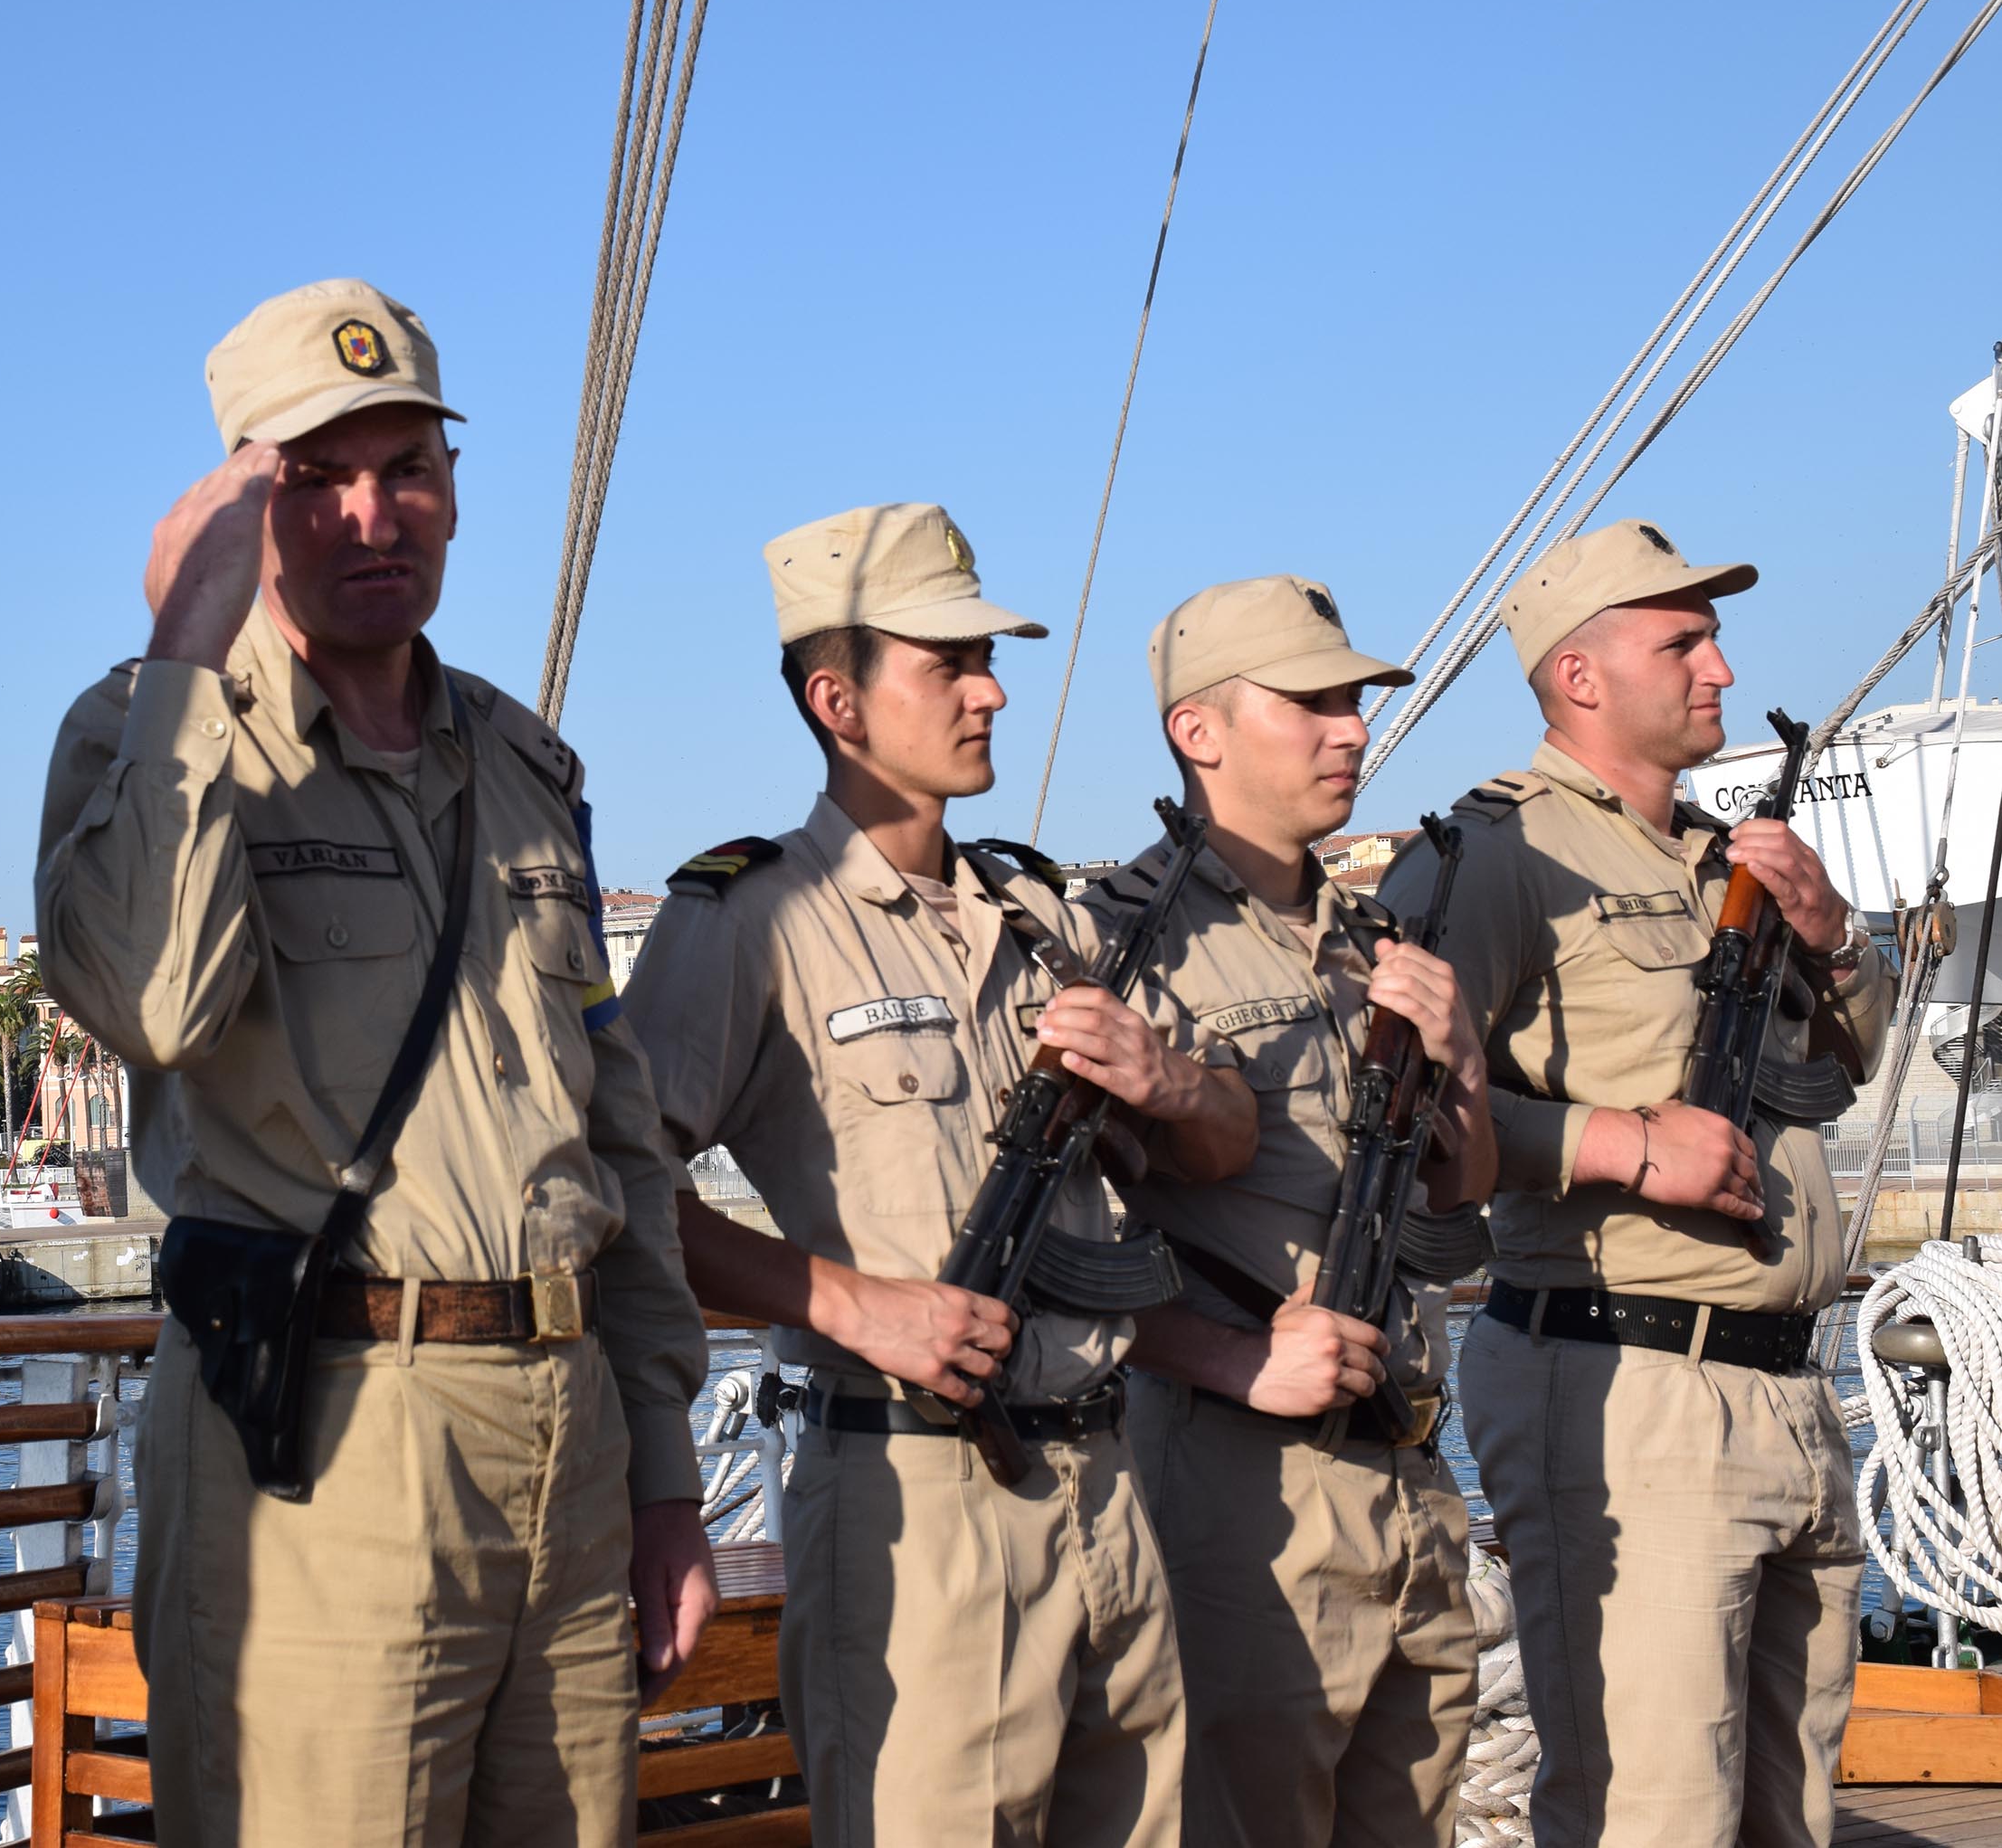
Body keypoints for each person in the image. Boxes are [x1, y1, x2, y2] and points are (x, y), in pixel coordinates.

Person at [34, 278, 715, 1848]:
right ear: (237, 506)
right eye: (313, 478)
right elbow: (151, 1003)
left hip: (568, 1431)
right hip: (324, 1441)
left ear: (455, 489)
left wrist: (665, 1475)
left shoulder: (526, 765)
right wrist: (185, 643)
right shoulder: (148, 733)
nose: (370, 514)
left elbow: (611, 1139)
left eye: (406, 467)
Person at [618, 502, 1257, 1848]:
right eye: (950, 664)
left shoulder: (1047, 921)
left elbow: (1219, 1150)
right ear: (839, 701)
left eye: (989, 660)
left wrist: (1169, 1080)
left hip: (1110, 1484)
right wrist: (854, 1305)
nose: (992, 691)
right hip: (914, 1496)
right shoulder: (748, 917)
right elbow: (618, 1195)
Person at [1379, 519, 1894, 1848]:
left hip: (1786, 1383)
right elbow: (1398, 1112)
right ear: (1580, 677)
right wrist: (1617, 1141)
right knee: (1650, 1815)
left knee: (1792, 1813)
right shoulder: (1495, 857)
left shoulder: (1728, 860)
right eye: (1685, 644)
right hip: (1628, 1384)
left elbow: (1848, 1054)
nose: (1722, 668)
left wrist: (1833, 937)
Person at [1087, 575, 1496, 1848]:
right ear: (1198, 730)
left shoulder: (1373, 940)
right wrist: (1229, 1359)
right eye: (1312, 703)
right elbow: (1062, 1249)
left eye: (1355, 703)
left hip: (1409, 1467)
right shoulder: (1120, 946)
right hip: (1238, 1487)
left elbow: (1460, 1194)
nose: (1352, 729)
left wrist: (1464, 1060)